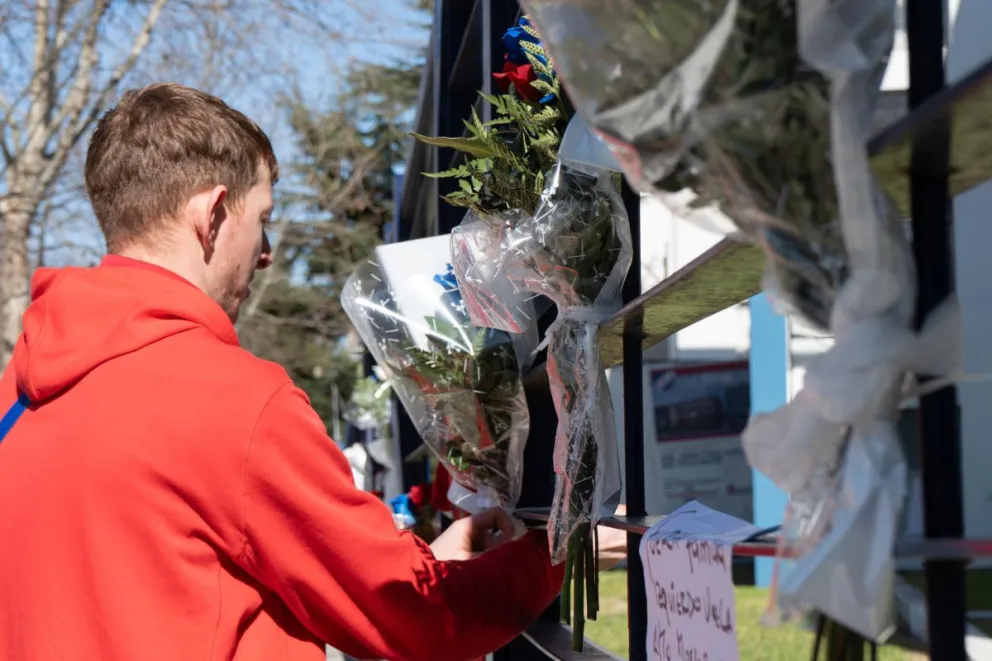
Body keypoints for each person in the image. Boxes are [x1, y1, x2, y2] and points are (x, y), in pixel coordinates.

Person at [0, 83, 564, 661]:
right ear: (212, 214)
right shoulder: (232, 399)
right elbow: (417, 619)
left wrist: (423, 563)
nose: (266, 252)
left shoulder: (18, 395)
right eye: (262, 218)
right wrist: (552, 554)